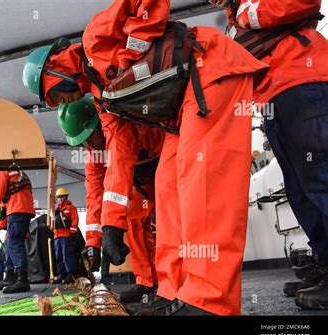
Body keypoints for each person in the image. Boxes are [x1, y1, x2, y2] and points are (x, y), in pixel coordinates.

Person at [23, 0, 268, 315]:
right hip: (180, 113)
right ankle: (172, 289)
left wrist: (133, 49)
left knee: (202, 183)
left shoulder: (95, 37)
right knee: (167, 189)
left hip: (208, 70)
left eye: (55, 95)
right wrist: (111, 225)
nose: (63, 101)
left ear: (56, 66)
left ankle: (210, 302)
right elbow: (119, 153)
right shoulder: (102, 102)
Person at [211, 0, 328, 310]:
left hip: (305, 85)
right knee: (300, 190)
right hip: (274, 99)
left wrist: (249, 14)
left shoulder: (246, 10)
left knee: (320, 180)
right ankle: (325, 264)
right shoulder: (232, 18)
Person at [58, 97, 161, 302]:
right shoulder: (94, 154)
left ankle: (176, 283)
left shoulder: (127, 126)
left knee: (172, 223)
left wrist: (112, 227)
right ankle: (147, 282)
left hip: (163, 165)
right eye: (83, 143)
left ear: (100, 124)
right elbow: (96, 196)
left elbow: (121, 167)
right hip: (137, 182)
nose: (88, 145)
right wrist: (94, 243)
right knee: (133, 222)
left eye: (89, 138)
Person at [0, 167, 35, 294]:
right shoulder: (18, 171)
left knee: (14, 243)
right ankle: (9, 277)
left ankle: (22, 280)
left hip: (17, 209)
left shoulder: (1, 167)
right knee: (10, 243)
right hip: (23, 209)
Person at [52, 187, 80, 284]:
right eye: (58, 197)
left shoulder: (71, 208)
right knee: (58, 256)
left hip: (66, 235)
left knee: (67, 255)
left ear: (66, 197)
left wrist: (72, 233)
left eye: (62, 196)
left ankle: (71, 275)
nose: (60, 199)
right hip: (57, 236)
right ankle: (62, 274)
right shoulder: (55, 209)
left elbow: (74, 221)